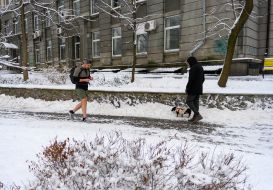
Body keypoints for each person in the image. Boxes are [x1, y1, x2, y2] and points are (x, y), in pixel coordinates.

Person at [185, 56, 205, 123]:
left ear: (191, 62)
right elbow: (203, 79)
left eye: (188, 62)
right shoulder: (200, 67)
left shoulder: (193, 68)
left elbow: (191, 80)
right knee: (196, 102)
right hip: (199, 88)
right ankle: (195, 118)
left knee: (189, 101)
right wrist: (199, 85)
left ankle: (197, 114)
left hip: (193, 88)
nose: (187, 64)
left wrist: (187, 88)